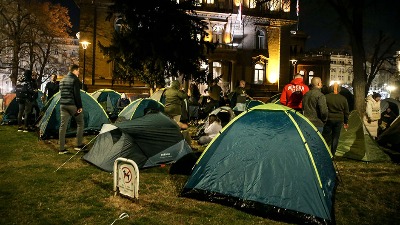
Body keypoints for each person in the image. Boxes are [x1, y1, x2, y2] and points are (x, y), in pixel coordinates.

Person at [58, 64, 84, 154]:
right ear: (74, 70)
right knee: (80, 123)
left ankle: (61, 149)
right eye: (78, 71)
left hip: (63, 105)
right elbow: (77, 94)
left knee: (63, 126)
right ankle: (78, 145)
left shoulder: (62, 80)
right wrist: (79, 106)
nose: (79, 72)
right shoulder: (75, 80)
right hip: (72, 105)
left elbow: (60, 93)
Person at [322, 83, 349, 156]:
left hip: (328, 119)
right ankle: (332, 154)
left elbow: (323, 108)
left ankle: (325, 152)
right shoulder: (343, 98)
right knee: (335, 137)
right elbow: (346, 111)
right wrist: (346, 122)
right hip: (339, 120)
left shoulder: (326, 97)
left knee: (326, 136)